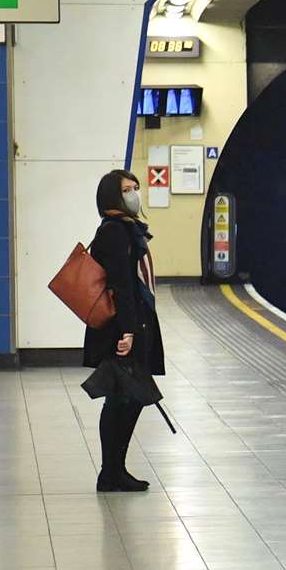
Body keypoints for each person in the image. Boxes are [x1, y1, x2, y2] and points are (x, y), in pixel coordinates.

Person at [84, 169, 165, 492]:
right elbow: (121, 285)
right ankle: (111, 471)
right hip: (122, 328)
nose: (135, 194)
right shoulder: (115, 232)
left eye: (135, 188)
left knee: (128, 397)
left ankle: (115, 469)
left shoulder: (126, 230)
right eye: (127, 190)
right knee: (122, 398)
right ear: (112, 198)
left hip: (130, 324)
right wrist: (129, 332)